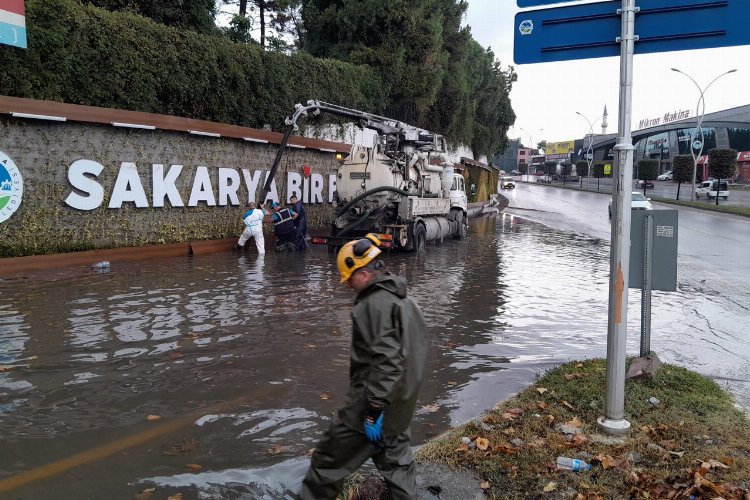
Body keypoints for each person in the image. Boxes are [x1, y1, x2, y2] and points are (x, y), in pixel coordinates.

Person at [299, 234, 429, 500]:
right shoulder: (403, 299)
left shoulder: (373, 303)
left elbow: (386, 360)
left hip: (371, 405)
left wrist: (373, 411)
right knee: (397, 463)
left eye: (349, 279)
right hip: (400, 404)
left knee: (327, 463)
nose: (348, 286)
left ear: (364, 273)